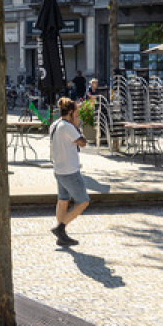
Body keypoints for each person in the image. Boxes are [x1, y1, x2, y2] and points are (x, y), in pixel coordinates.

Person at [49, 96, 90, 247]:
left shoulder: (54, 125)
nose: (77, 117)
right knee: (84, 201)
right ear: (71, 112)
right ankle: (60, 228)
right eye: (77, 114)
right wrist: (77, 126)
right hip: (70, 171)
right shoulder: (67, 126)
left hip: (59, 170)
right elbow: (83, 142)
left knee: (63, 201)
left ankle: (62, 236)